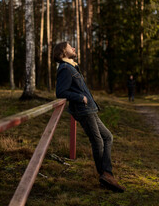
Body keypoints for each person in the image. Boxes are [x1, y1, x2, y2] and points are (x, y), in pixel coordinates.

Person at [53, 41, 126, 193]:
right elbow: (61, 92)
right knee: (98, 140)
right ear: (63, 53)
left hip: (90, 109)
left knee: (108, 137)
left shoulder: (72, 67)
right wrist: (80, 98)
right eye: (69, 47)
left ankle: (106, 173)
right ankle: (106, 175)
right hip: (83, 110)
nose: (74, 48)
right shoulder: (65, 69)